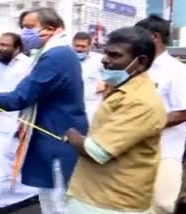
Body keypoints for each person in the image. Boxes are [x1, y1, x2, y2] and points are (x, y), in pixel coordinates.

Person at [0, 8, 88, 214]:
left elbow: (19, 97)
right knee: (48, 197)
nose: (24, 33)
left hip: (56, 137)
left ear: (50, 29)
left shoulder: (57, 55)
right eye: (22, 28)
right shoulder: (51, 53)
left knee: (58, 203)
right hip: (43, 133)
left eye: (29, 27)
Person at [65, 26, 167, 214]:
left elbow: (97, 151)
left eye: (115, 55)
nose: (105, 60)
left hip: (111, 203)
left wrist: (71, 135)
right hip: (95, 195)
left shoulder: (139, 101)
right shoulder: (120, 88)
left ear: (141, 63)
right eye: (106, 53)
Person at [136, 15, 186, 214]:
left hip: (166, 152)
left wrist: (148, 124)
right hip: (136, 150)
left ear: (155, 37)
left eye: (139, 36)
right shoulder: (138, 67)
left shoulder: (176, 70)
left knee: (165, 205)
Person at [0, 33, 38, 213]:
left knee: (0, 165)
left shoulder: (27, 65)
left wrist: (24, 123)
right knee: (1, 164)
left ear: (17, 49)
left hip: (17, 122)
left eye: (5, 45)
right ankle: (15, 197)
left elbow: (27, 97)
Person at [72, 32, 104, 123]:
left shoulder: (99, 60)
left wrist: (106, 82)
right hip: (71, 105)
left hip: (92, 106)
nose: (79, 49)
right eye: (76, 46)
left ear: (90, 46)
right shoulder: (67, 59)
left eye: (83, 46)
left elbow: (113, 74)